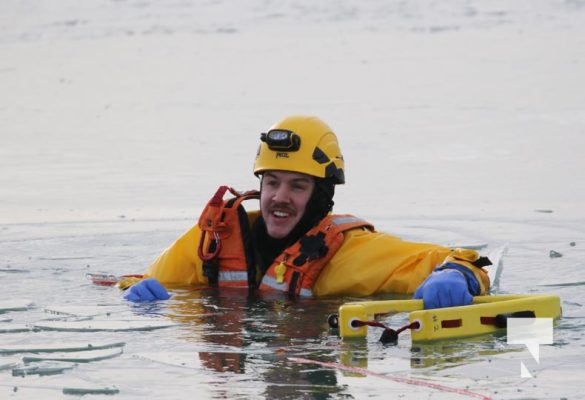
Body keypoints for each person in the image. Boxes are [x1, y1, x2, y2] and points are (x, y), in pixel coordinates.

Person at [122, 115, 491, 309]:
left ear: (320, 196)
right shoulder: (210, 244)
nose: (280, 197)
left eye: (298, 186)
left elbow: (447, 261)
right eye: (272, 183)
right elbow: (140, 280)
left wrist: (458, 274)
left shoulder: (353, 252)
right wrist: (141, 299)